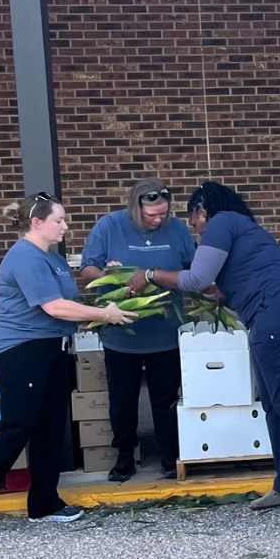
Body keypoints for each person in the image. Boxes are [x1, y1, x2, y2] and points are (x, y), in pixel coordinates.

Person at [125, 181, 280, 513]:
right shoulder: (240, 227)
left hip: (277, 312)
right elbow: (222, 283)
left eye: (194, 222)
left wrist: (150, 273)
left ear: (203, 210)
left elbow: (196, 279)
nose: (196, 230)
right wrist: (221, 294)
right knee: (275, 402)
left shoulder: (222, 221)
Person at [0, 192, 134, 538]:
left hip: (53, 349)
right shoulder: (24, 257)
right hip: (22, 351)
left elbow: (72, 302)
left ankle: (44, 503)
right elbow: (54, 308)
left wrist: (114, 283)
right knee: (17, 428)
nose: (65, 226)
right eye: (60, 220)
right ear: (37, 223)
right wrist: (105, 315)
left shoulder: (51, 259)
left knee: (50, 429)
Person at [80, 178, 195, 482]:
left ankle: (170, 455)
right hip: (122, 333)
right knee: (122, 399)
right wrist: (111, 275)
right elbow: (87, 268)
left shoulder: (178, 230)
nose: (158, 220)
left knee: (166, 397)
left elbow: (194, 271)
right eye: (151, 215)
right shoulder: (109, 226)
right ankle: (124, 457)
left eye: (163, 215)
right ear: (135, 207)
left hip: (166, 331)